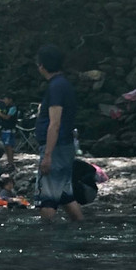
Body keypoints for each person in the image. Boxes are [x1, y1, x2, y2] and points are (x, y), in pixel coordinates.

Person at [35, 44, 83, 222]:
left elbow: (55, 123)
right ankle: (80, 229)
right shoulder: (64, 84)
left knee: (47, 199)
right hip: (65, 145)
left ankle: (46, 241)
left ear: (42, 66)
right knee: (65, 194)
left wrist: (48, 155)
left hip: (56, 147)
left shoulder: (56, 87)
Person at [0, 95, 19, 169]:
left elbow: (7, 117)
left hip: (9, 130)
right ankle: (9, 162)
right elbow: (3, 115)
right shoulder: (5, 108)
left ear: (10, 100)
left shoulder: (13, 107)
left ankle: (11, 163)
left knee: (9, 146)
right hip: (4, 129)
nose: (4, 101)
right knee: (6, 147)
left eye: (5, 99)